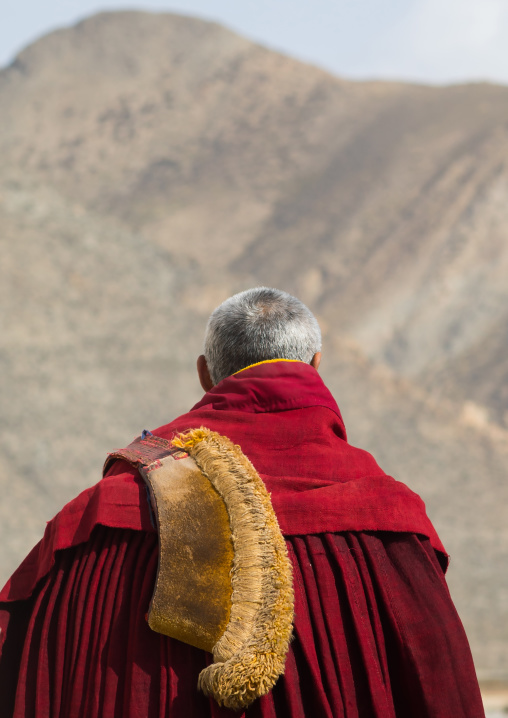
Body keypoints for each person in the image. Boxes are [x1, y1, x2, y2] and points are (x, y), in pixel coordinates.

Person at [0, 287, 484, 718]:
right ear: (316, 364)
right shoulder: (390, 518)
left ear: (205, 374)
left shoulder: (93, 520)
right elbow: (441, 685)